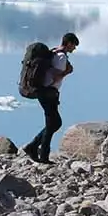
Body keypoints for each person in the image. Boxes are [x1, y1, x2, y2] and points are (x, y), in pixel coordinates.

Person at [24, 32, 78, 163]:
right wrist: (67, 71)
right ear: (69, 43)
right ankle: (41, 154)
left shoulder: (54, 51)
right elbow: (56, 76)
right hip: (48, 91)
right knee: (53, 123)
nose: (74, 49)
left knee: (54, 123)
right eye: (74, 45)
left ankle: (33, 146)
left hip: (44, 91)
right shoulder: (61, 57)